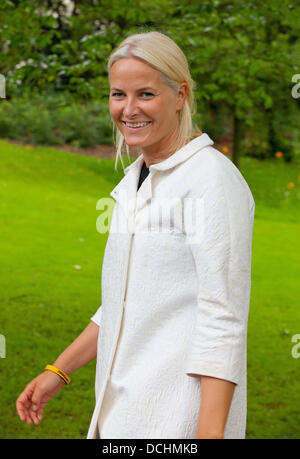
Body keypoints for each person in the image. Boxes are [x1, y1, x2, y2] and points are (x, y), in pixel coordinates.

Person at [16, 31, 255, 439]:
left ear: (179, 95)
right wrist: (58, 371)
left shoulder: (211, 181)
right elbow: (125, 300)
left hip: (178, 417)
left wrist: (208, 435)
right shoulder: (136, 181)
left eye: (145, 94)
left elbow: (224, 320)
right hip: (120, 415)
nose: (128, 110)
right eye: (117, 95)